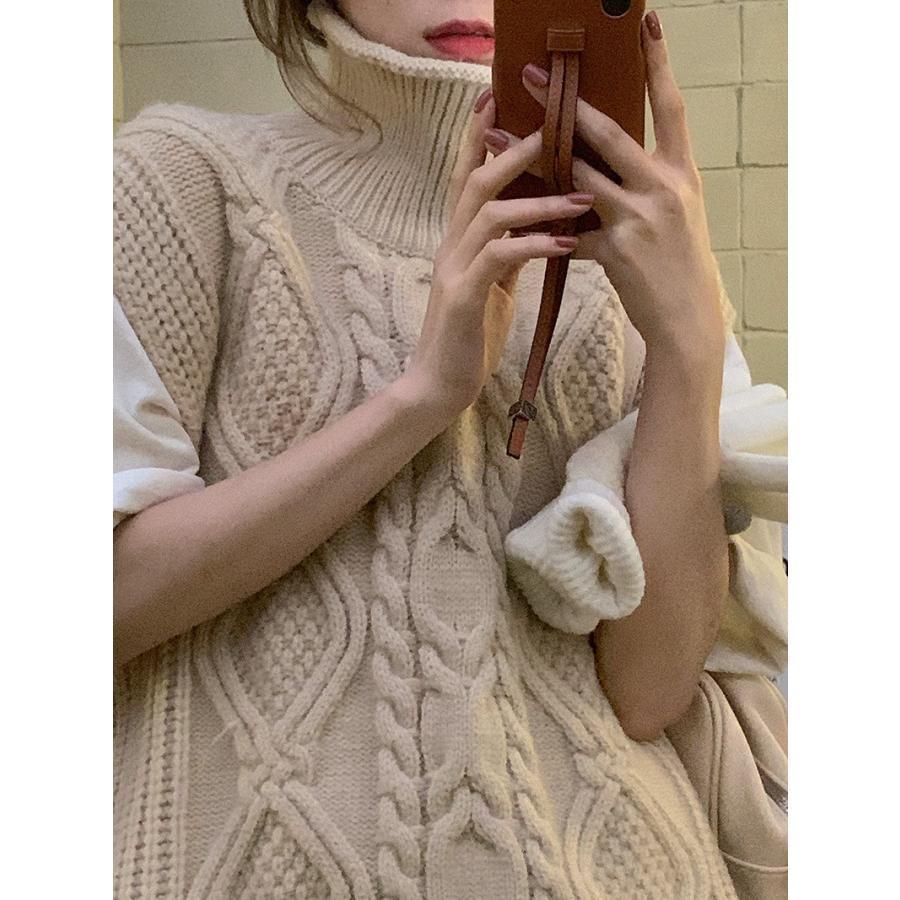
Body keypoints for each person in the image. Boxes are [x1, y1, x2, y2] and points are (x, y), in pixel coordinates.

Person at [113, 1, 786, 896]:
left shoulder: (645, 249)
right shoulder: (179, 183)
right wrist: (423, 396)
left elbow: (650, 692)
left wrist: (690, 342)